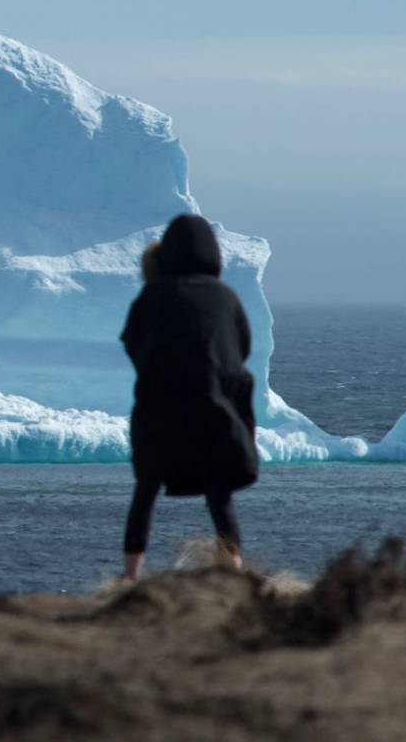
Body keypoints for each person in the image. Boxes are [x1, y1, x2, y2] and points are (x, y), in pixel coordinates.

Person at [118, 214, 259, 579]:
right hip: (215, 410)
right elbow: (240, 349)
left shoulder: (152, 296)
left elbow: (132, 341)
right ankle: (233, 573)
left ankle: (130, 577)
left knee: (145, 490)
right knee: (219, 493)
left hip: (159, 412)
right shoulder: (226, 298)